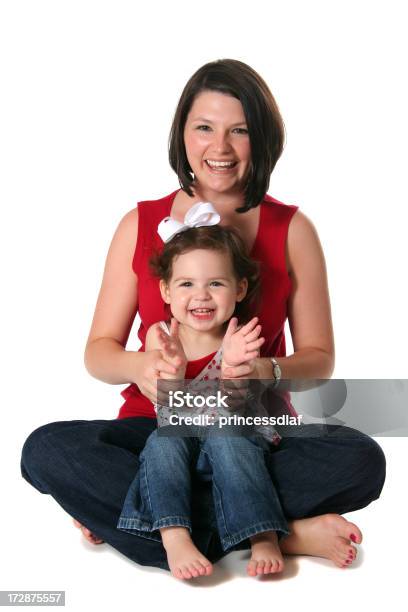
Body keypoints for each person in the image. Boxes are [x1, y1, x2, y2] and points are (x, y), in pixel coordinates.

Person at [20, 58, 386, 574]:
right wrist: (138, 369)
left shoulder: (293, 229)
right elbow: (99, 350)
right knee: (44, 448)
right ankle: (281, 531)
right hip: (153, 430)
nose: (220, 148)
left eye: (239, 131)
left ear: (261, 138)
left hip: (250, 431)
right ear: (182, 135)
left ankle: (149, 521)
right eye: (204, 128)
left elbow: (320, 359)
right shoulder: (140, 222)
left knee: (363, 458)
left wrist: (265, 372)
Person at [117, 212, 290, 580]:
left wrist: (234, 371)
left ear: (239, 289)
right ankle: (175, 533)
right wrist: (174, 373)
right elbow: (167, 412)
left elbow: (238, 411)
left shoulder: (240, 338)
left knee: (228, 435)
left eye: (215, 283)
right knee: (161, 444)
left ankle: (262, 534)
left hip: (233, 445)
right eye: (186, 284)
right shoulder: (161, 337)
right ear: (165, 290)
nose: (201, 296)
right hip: (181, 444)